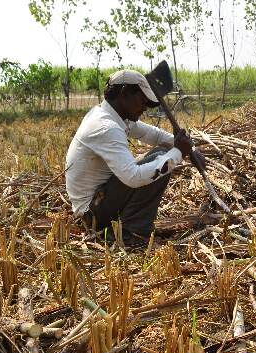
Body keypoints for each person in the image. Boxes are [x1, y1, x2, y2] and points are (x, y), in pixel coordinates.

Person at [65, 69, 202, 244]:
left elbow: (156, 135)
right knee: (162, 159)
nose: (145, 108)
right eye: (143, 101)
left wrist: (189, 148)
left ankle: (129, 225)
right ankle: (130, 235)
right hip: (92, 214)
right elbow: (134, 178)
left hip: (101, 200)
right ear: (124, 94)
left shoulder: (112, 115)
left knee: (160, 155)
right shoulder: (106, 126)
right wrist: (177, 153)